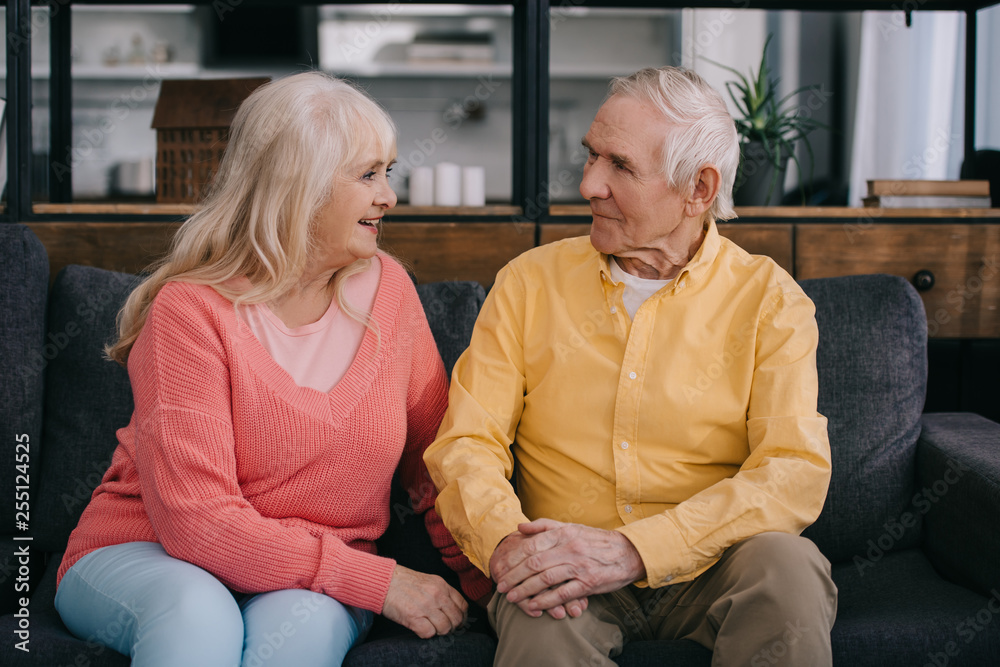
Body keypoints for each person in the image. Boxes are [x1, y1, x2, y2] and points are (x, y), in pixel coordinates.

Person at [54, 72, 491, 667]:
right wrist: (380, 581)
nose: (388, 196)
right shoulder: (190, 312)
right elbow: (197, 523)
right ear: (299, 187)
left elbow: (437, 467)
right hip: (150, 553)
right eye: (368, 175)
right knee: (198, 614)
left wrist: (494, 588)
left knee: (301, 637)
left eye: (388, 172)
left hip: (310, 584)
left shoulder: (388, 290)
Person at [424, 66, 837, 666]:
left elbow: (791, 471)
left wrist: (637, 550)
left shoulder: (770, 300)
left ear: (698, 189)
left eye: (619, 165)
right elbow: (466, 444)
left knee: (789, 568)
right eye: (591, 156)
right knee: (538, 614)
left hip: (715, 566)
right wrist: (507, 546)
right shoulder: (527, 284)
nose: (589, 183)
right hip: (563, 571)